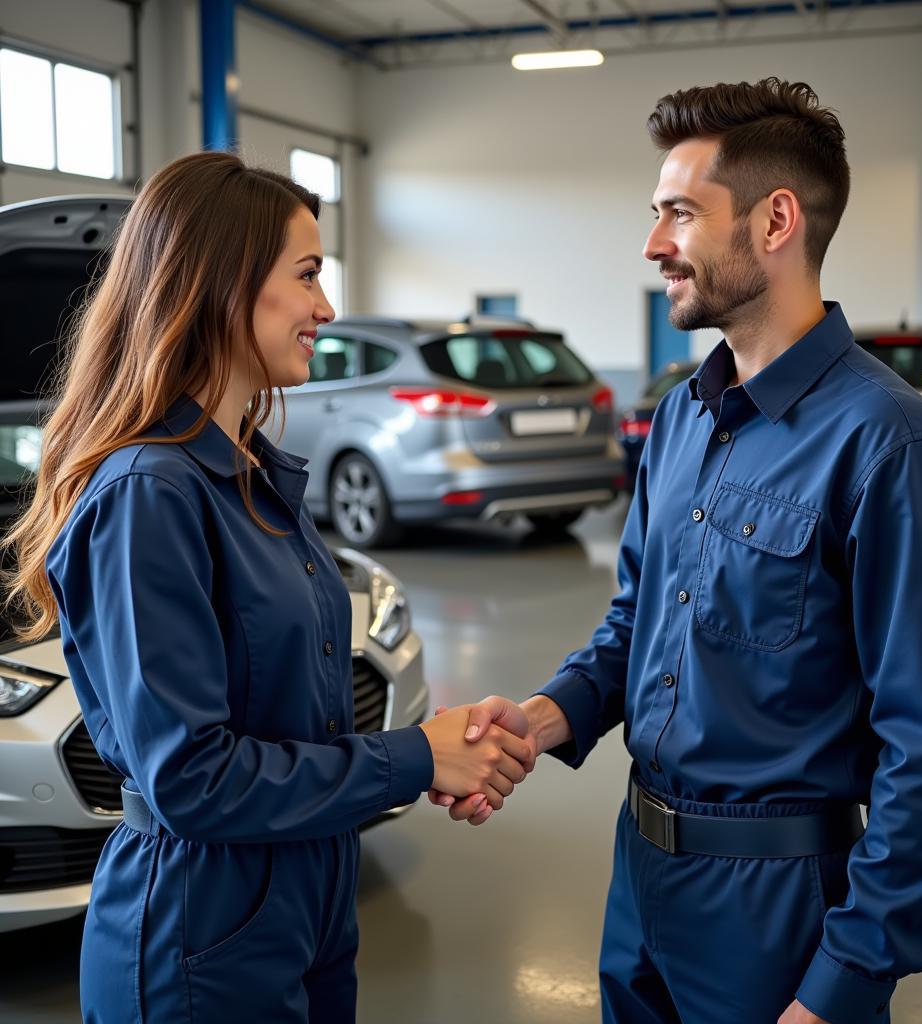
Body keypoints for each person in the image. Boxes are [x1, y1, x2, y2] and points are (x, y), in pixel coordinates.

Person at [430, 78, 922, 1024]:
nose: (653, 245)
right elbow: (634, 623)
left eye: (680, 214)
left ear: (776, 221)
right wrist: (541, 718)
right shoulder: (684, 420)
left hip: (777, 912)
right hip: (640, 880)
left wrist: (841, 986)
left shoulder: (890, 445)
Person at [1, 151, 534, 1023]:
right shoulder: (150, 492)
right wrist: (414, 757)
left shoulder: (244, 474)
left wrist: (438, 753)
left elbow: (291, 713)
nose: (327, 308)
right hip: (197, 922)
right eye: (309, 275)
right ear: (220, 284)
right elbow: (191, 778)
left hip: (304, 889)